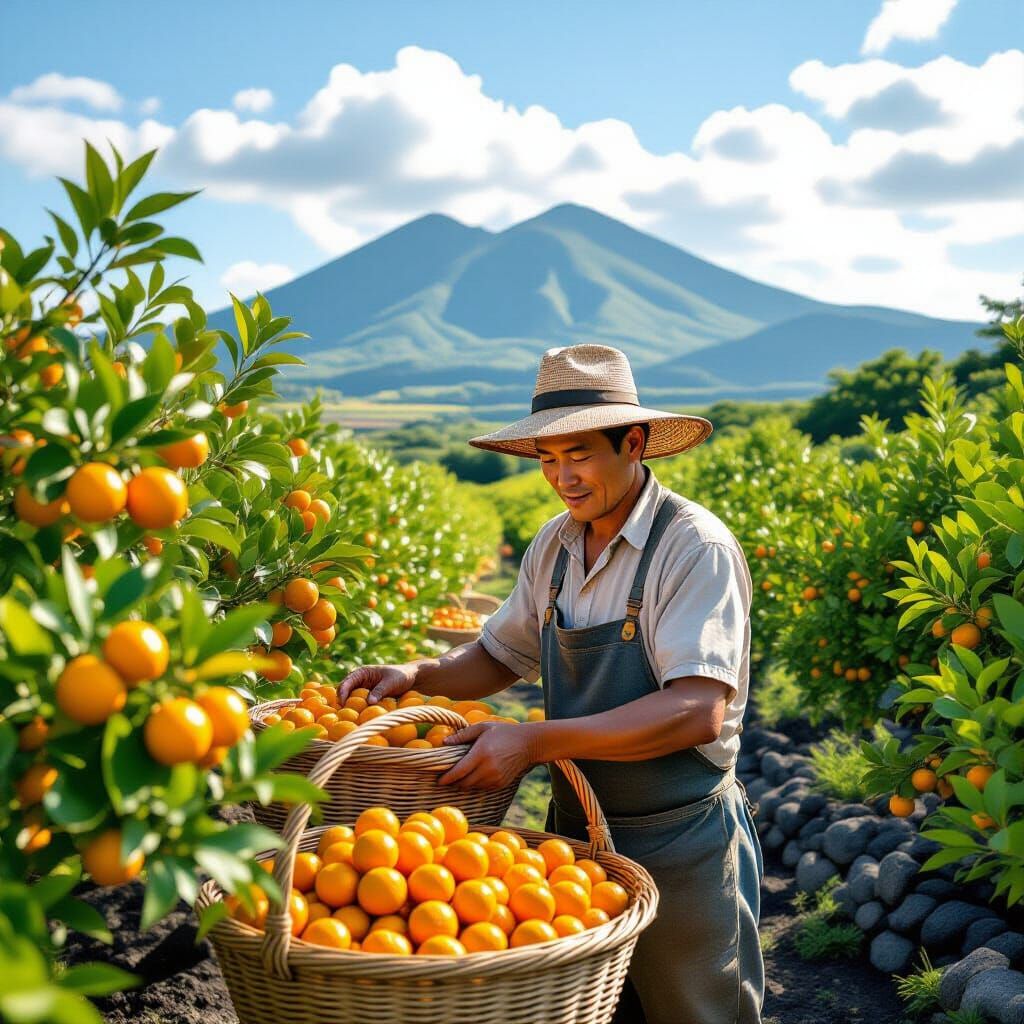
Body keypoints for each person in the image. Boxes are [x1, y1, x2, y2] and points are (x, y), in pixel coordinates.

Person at [337, 343, 764, 1024]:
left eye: (580, 454)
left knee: (693, 1009)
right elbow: (499, 656)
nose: (563, 477)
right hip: (576, 831)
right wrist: (416, 675)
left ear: (633, 442)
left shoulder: (692, 548)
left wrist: (533, 741)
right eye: (547, 459)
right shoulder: (555, 545)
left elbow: (695, 711)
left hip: (678, 836)